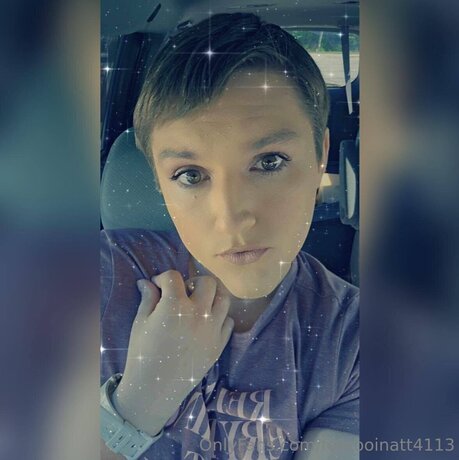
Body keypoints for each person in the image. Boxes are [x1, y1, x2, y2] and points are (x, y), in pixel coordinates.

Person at [100, 12, 359, 460]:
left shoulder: (355, 340)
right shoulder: (91, 279)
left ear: (320, 155)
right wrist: (139, 402)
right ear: (159, 182)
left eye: (270, 161)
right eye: (190, 174)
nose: (231, 218)